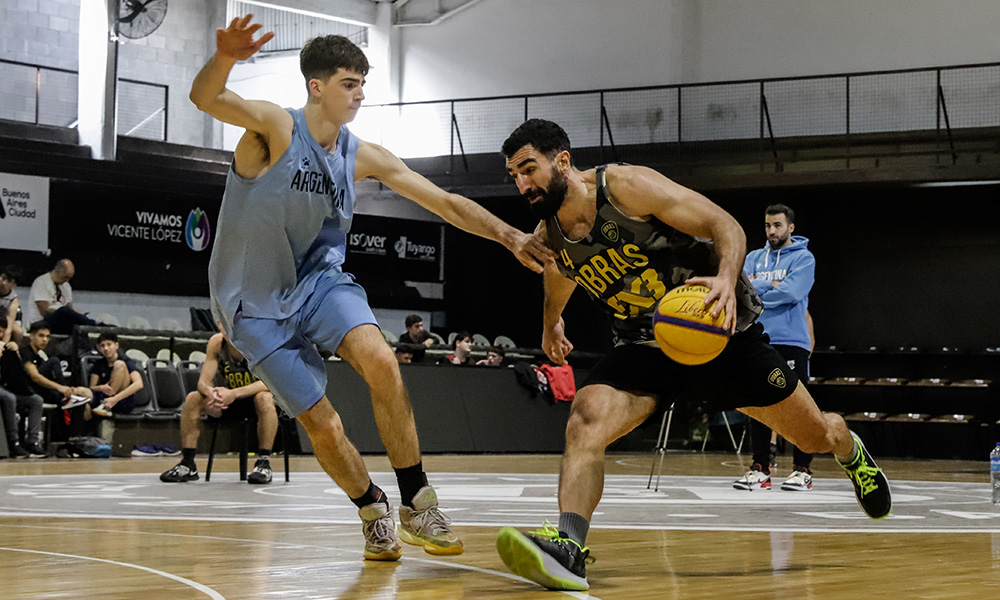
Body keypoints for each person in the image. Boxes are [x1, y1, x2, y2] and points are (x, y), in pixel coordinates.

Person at [192, 15, 552, 561]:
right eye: (349, 83)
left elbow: (444, 202)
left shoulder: (359, 154)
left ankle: (417, 503)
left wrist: (509, 235)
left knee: (382, 361)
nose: (361, 94)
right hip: (254, 304)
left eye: (363, 83)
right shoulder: (273, 129)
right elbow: (206, 97)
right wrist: (224, 56)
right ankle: (372, 507)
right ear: (317, 86)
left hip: (320, 283)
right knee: (324, 423)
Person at [493, 119, 890, 591]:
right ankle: (570, 549)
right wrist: (551, 321)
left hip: (716, 334)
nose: (521, 183)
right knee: (586, 416)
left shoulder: (624, 187)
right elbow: (561, 271)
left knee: (813, 435)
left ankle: (849, 447)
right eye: (513, 174)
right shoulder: (549, 232)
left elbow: (724, 224)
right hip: (645, 346)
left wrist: (726, 278)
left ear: (562, 161)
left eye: (528, 168)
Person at [734, 204, 817, 492]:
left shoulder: (804, 258)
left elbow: (793, 292)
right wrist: (772, 283)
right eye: (768, 225)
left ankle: (802, 469)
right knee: (758, 405)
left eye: (778, 225)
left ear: (790, 227)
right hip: (757, 338)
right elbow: (740, 288)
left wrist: (760, 286)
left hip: (791, 341)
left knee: (797, 407)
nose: (772, 231)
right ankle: (760, 469)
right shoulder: (754, 257)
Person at [160, 332, 278, 485]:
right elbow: (203, 382)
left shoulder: (259, 340)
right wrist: (211, 393)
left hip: (255, 399)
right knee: (193, 399)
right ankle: (188, 464)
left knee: (265, 398)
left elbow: (271, 382)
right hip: (228, 399)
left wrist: (234, 393)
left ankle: (264, 462)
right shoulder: (217, 343)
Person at [20, 321, 92, 440]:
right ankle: (66, 395)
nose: (45, 340)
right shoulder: (25, 353)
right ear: (31, 336)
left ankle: (73, 438)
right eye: (41, 336)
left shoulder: (41, 356)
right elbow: (35, 376)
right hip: (29, 390)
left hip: (42, 391)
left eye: (47, 337)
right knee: (54, 361)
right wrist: (61, 387)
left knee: (80, 403)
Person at [0, 316, 46, 458]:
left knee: (35, 400)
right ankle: (14, 443)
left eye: (2, 332)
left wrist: (15, 355)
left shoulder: (5, 347)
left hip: (6, 387)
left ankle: (32, 441)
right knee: (9, 398)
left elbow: (16, 375)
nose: (0, 335)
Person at [27, 259, 99, 334]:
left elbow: (70, 309)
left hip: (60, 323)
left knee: (78, 327)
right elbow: (45, 311)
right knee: (64, 311)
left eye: (69, 278)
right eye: (65, 277)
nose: (67, 280)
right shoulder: (41, 282)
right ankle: (94, 324)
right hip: (41, 322)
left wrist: (75, 314)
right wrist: (62, 312)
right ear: (57, 271)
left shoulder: (66, 286)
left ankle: (94, 326)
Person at [87, 332, 145, 418]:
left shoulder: (127, 362)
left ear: (116, 345)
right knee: (80, 391)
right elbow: (92, 387)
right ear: (99, 348)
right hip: (104, 398)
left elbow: (138, 384)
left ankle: (107, 407)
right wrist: (101, 387)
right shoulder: (98, 364)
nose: (106, 348)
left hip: (122, 400)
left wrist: (114, 399)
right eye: (102, 346)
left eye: (109, 345)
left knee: (119, 364)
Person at [0, 265, 24, 344]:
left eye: (9, 281)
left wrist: (2, 347)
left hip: (3, 321)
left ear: (14, 285)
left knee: (19, 331)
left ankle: (13, 353)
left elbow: (9, 328)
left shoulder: (13, 300)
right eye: (3, 278)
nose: (3, 283)